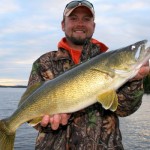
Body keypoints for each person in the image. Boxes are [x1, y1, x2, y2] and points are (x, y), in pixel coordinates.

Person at [24, 1, 150, 149]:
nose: (80, 24)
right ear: (63, 25)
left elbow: (125, 110)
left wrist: (134, 80)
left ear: (93, 26)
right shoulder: (43, 63)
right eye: (73, 18)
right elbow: (33, 119)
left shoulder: (107, 61)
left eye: (86, 19)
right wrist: (45, 122)